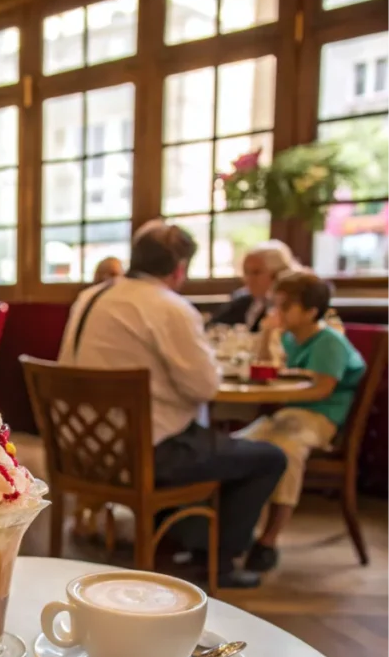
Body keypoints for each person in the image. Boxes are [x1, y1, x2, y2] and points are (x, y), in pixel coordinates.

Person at [58, 219, 287, 588]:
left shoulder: (90, 297)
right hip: (144, 454)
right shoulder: (168, 307)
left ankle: (177, 543)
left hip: (82, 451)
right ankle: (216, 563)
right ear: (180, 268)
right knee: (268, 458)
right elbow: (206, 386)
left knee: (214, 446)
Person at [234, 273, 365, 571]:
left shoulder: (328, 341)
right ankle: (236, 532)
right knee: (239, 447)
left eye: (286, 306)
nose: (277, 312)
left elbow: (323, 389)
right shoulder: (290, 339)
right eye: (276, 304)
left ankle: (269, 539)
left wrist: (283, 388)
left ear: (311, 311)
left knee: (284, 450)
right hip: (286, 414)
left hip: (321, 418)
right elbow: (263, 370)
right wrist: (268, 334)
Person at [208, 240, 300, 332]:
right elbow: (211, 327)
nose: (248, 279)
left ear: (277, 274)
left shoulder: (290, 309)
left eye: (256, 273)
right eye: (246, 272)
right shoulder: (242, 301)